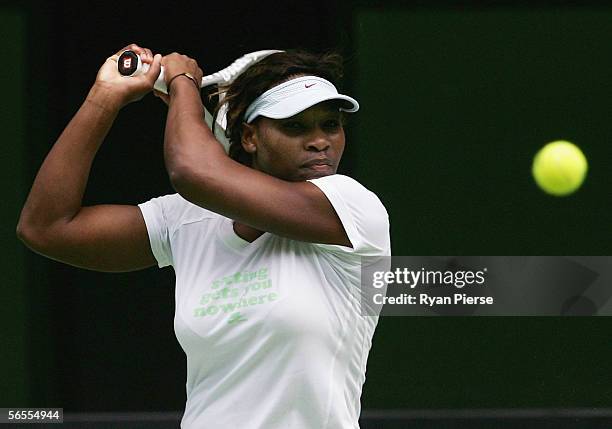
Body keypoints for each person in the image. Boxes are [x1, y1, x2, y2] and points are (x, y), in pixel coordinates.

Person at [17, 43, 391, 428]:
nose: (320, 141)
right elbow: (47, 228)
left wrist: (183, 84)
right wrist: (105, 97)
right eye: (294, 126)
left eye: (330, 124)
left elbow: (191, 171)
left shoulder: (351, 207)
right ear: (249, 137)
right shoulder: (188, 220)